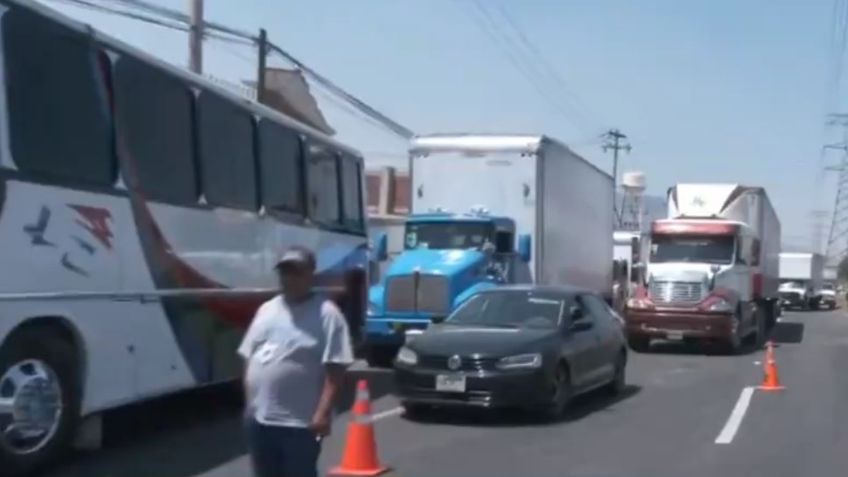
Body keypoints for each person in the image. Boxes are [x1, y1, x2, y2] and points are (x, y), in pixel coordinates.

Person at [238, 245, 354, 477]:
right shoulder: (266, 309)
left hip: (300, 424)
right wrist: (250, 404)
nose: (289, 278)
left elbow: (336, 368)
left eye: (296, 272)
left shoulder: (327, 314)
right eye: (284, 272)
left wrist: (322, 413)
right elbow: (249, 356)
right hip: (260, 421)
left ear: (311, 274)